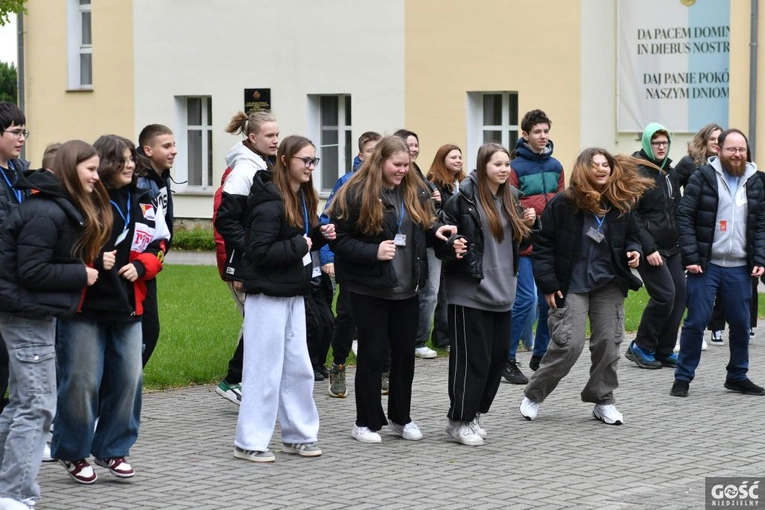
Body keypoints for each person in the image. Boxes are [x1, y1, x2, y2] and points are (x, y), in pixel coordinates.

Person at [0, 140, 110, 509]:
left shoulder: (53, 206)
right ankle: (15, 494)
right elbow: (31, 271)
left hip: (34, 314)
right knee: (38, 407)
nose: (97, 176)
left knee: (22, 405)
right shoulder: (45, 212)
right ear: (68, 169)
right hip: (26, 316)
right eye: (90, 169)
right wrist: (81, 273)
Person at [52, 135, 168, 484]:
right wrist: (90, 258)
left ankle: (113, 448)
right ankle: (73, 451)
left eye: (132, 159)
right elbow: (59, 249)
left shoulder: (144, 199)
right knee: (82, 381)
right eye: (123, 160)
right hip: (84, 307)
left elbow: (161, 240)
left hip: (128, 304)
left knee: (128, 379)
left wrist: (146, 264)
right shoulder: (81, 200)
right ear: (103, 163)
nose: (131, 165)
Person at [329, 136, 458, 444]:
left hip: (407, 288)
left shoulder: (416, 190)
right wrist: (372, 252)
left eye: (406, 165)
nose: (402, 170)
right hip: (368, 287)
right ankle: (366, 421)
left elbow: (426, 226)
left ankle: (401, 417)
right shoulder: (356, 192)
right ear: (380, 162)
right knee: (372, 356)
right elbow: (339, 240)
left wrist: (437, 232)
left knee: (404, 357)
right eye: (397, 165)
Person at [519, 148, 651, 425]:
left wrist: (633, 250)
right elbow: (543, 246)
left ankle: (603, 400)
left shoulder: (620, 202)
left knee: (609, 343)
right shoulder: (564, 204)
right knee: (569, 345)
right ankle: (535, 394)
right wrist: (549, 284)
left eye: (606, 165)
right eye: (596, 165)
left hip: (608, 283)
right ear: (582, 169)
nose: (602, 169)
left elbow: (633, 235)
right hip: (573, 283)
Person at [234, 135, 334, 463]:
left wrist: (317, 238)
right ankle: (250, 441)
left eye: (313, 161)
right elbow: (259, 251)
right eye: (305, 160)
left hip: (292, 291)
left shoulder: (300, 197)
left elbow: (295, 242)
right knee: (263, 369)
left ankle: (299, 436)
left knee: (299, 368)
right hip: (267, 295)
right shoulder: (269, 200)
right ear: (285, 160)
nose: (310, 167)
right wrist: (303, 245)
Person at [438, 142, 534, 446]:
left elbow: (522, 239)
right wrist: (451, 247)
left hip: (503, 291)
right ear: (483, 167)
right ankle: (458, 419)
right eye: (497, 164)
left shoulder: (512, 198)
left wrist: (531, 223)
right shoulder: (462, 199)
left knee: (496, 359)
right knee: (472, 359)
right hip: (470, 291)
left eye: (507, 164)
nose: (504, 169)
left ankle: (476, 413)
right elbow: (440, 237)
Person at [672, 129, 765, 397]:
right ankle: (683, 377)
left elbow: (760, 225)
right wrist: (690, 257)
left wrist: (760, 258)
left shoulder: (755, 181)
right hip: (706, 265)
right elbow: (685, 216)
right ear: (718, 150)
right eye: (731, 149)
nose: (737, 155)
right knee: (697, 321)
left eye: (741, 150)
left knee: (740, 323)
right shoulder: (702, 177)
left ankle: (737, 375)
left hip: (739, 266)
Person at [214, 110, 279, 404]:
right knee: (256, 324)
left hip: (265, 261)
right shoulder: (244, 170)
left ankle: (247, 381)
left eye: (277, 134)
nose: (276, 140)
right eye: (270, 136)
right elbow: (225, 221)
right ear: (252, 138)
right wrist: (248, 253)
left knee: (261, 324)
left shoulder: (266, 164)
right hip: (247, 264)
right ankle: (232, 381)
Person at [503, 109, 565, 383]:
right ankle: (506, 358)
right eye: (537, 132)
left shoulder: (556, 166)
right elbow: (508, 206)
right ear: (525, 135)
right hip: (524, 247)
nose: (543, 137)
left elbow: (562, 202)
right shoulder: (514, 168)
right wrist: (524, 217)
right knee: (525, 301)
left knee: (548, 302)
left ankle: (540, 354)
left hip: (549, 247)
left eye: (546, 131)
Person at [321, 131, 382, 398]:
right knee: (347, 316)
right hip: (350, 262)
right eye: (370, 151)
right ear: (361, 155)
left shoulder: (390, 182)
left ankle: (380, 370)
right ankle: (339, 365)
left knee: (379, 319)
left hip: (380, 263)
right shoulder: (347, 183)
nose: (375, 156)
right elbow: (328, 221)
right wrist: (327, 258)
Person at [624, 123, 685, 369]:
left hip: (673, 247)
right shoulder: (636, 172)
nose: (661, 147)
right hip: (649, 248)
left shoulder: (669, 173)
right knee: (664, 295)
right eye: (656, 143)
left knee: (680, 296)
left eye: (665, 143)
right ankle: (641, 346)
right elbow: (632, 214)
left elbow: (676, 209)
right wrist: (648, 248)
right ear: (648, 144)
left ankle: (664, 349)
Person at [393, 129, 441, 359]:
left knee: (426, 293)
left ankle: (417, 340)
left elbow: (426, 216)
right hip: (396, 249)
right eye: (408, 145)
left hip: (422, 244)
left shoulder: (419, 176)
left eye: (415, 144)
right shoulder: (383, 184)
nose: (413, 149)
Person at [135, 124, 176, 367]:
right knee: (147, 331)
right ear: (148, 150)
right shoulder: (141, 182)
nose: (174, 151)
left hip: (150, 263)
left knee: (148, 331)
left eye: (174, 145)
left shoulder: (160, 177)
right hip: (138, 265)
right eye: (167, 146)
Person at [0, 102, 30, 415]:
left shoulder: (22, 171)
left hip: (21, 278)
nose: (21, 138)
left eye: (24, 132)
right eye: (15, 132)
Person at [425, 144, 466, 350]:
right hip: (439, 243)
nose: (458, 161)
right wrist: (439, 202)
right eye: (453, 157)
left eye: (460, 157)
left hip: (458, 243)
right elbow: (436, 214)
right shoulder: (434, 185)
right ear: (442, 160)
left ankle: (448, 336)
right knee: (437, 293)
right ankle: (437, 337)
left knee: (451, 291)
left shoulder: (462, 184)